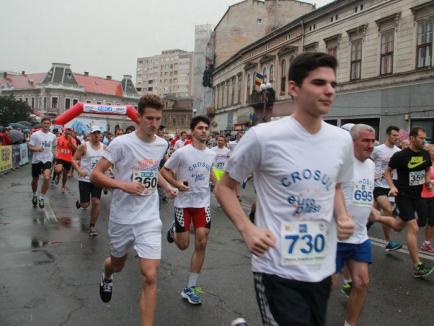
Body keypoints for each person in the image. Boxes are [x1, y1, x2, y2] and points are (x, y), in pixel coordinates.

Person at [215, 52, 355, 325]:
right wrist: (248, 229)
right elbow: (225, 187)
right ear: (293, 88)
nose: (329, 90)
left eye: (333, 84)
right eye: (318, 83)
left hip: (321, 268)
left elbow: (335, 185)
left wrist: (343, 216)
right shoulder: (263, 137)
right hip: (276, 267)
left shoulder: (341, 141)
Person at [91, 94, 176, 326]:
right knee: (116, 265)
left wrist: (167, 185)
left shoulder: (162, 144)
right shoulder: (121, 143)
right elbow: (96, 174)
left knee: (150, 275)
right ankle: (107, 274)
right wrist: (123, 185)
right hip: (122, 218)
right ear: (139, 117)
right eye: (149, 118)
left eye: (158, 119)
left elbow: (153, 170)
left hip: (148, 218)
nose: (154, 124)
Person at [161, 115, 217, 305]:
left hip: (202, 203)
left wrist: (219, 186)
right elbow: (164, 172)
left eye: (206, 128)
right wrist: (176, 184)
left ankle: (191, 287)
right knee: (183, 245)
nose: (204, 131)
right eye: (200, 128)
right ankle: (174, 231)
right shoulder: (182, 153)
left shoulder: (211, 154)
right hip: (183, 203)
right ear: (192, 131)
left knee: (201, 242)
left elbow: (211, 172)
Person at [378, 127, 434, 277]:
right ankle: (417, 266)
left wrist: (427, 180)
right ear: (412, 138)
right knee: (414, 227)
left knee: (398, 226)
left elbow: (427, 168)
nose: (424, 141)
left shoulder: (424, 153)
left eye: (425, 138)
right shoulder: (400, 155)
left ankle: (376, 217)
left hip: (418, 195)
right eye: (421, 138)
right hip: (403, 195)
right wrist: (392, 186)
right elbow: (387, 171)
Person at [336, 124, 376, 326]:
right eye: (365, 141)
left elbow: (365, 194)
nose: (371, 145)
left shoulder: (370, 165)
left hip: (360, 236)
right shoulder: (341, 162)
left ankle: (349, 324)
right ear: (352, 141)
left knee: (361, 283)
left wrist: (373, 211)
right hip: (335, 236)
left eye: (372, 140)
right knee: (326, 287)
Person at [370, 126, 402, 251]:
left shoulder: (398, 151)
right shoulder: (377, 150)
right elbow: (367, 161)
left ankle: (358, 233)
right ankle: (388, 242)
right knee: (388, 209)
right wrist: (371, 175)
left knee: (371, 212)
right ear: (388, 135)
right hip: (377, 185)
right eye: (394, 135)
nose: (396, 138)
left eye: (397, 135)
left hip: (390, 185)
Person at [72, 125, 105, 237]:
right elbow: (73, 159)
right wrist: (79, 170)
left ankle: (92, 226)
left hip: (97, 179)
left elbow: (107, 161)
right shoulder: (84, 146)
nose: (96, 135)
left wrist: (110, 170)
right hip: (84, 179)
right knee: (86, 204)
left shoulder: (104, 147)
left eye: (98, 133)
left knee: (96, 202)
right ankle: (80, 203)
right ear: (90, 135)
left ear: (100, 135)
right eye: (94, 133)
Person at [28, 117, 57, 208]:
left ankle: (42, 197)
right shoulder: (35, 135)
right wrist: (37, 149)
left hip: (47, 159)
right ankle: (34, 194)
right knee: (35, 180)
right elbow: (30, 146)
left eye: (48, 123)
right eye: (44, 123)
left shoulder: (53, 136)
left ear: (50, 124)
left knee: (47, 177)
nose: (46, 125)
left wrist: (55, 156)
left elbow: (54, 147)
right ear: (41, 124)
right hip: (37, 160)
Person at [419, 144, 434, 252]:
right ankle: (408, 222)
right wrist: (429, 182)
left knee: (433, 220)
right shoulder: (423, 163)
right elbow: (419, 178)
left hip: (433, 195)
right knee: (422, 221)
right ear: (428, 152)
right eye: (433, 150)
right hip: (422, 195)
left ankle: (426, 243)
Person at [53, 128, 77, 192]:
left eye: (69, 132)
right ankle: (58, 176)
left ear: (71, 133)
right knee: (58, 170)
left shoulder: (73, 140)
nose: (68, 133)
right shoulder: (60, 138)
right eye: (67, 132)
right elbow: (56, 146)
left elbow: (74, 148)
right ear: (64, 132)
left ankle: (63, 186)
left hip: (68, 159)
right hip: (60, 157)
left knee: (65, 174)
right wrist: (55, 153)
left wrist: (70, 141)